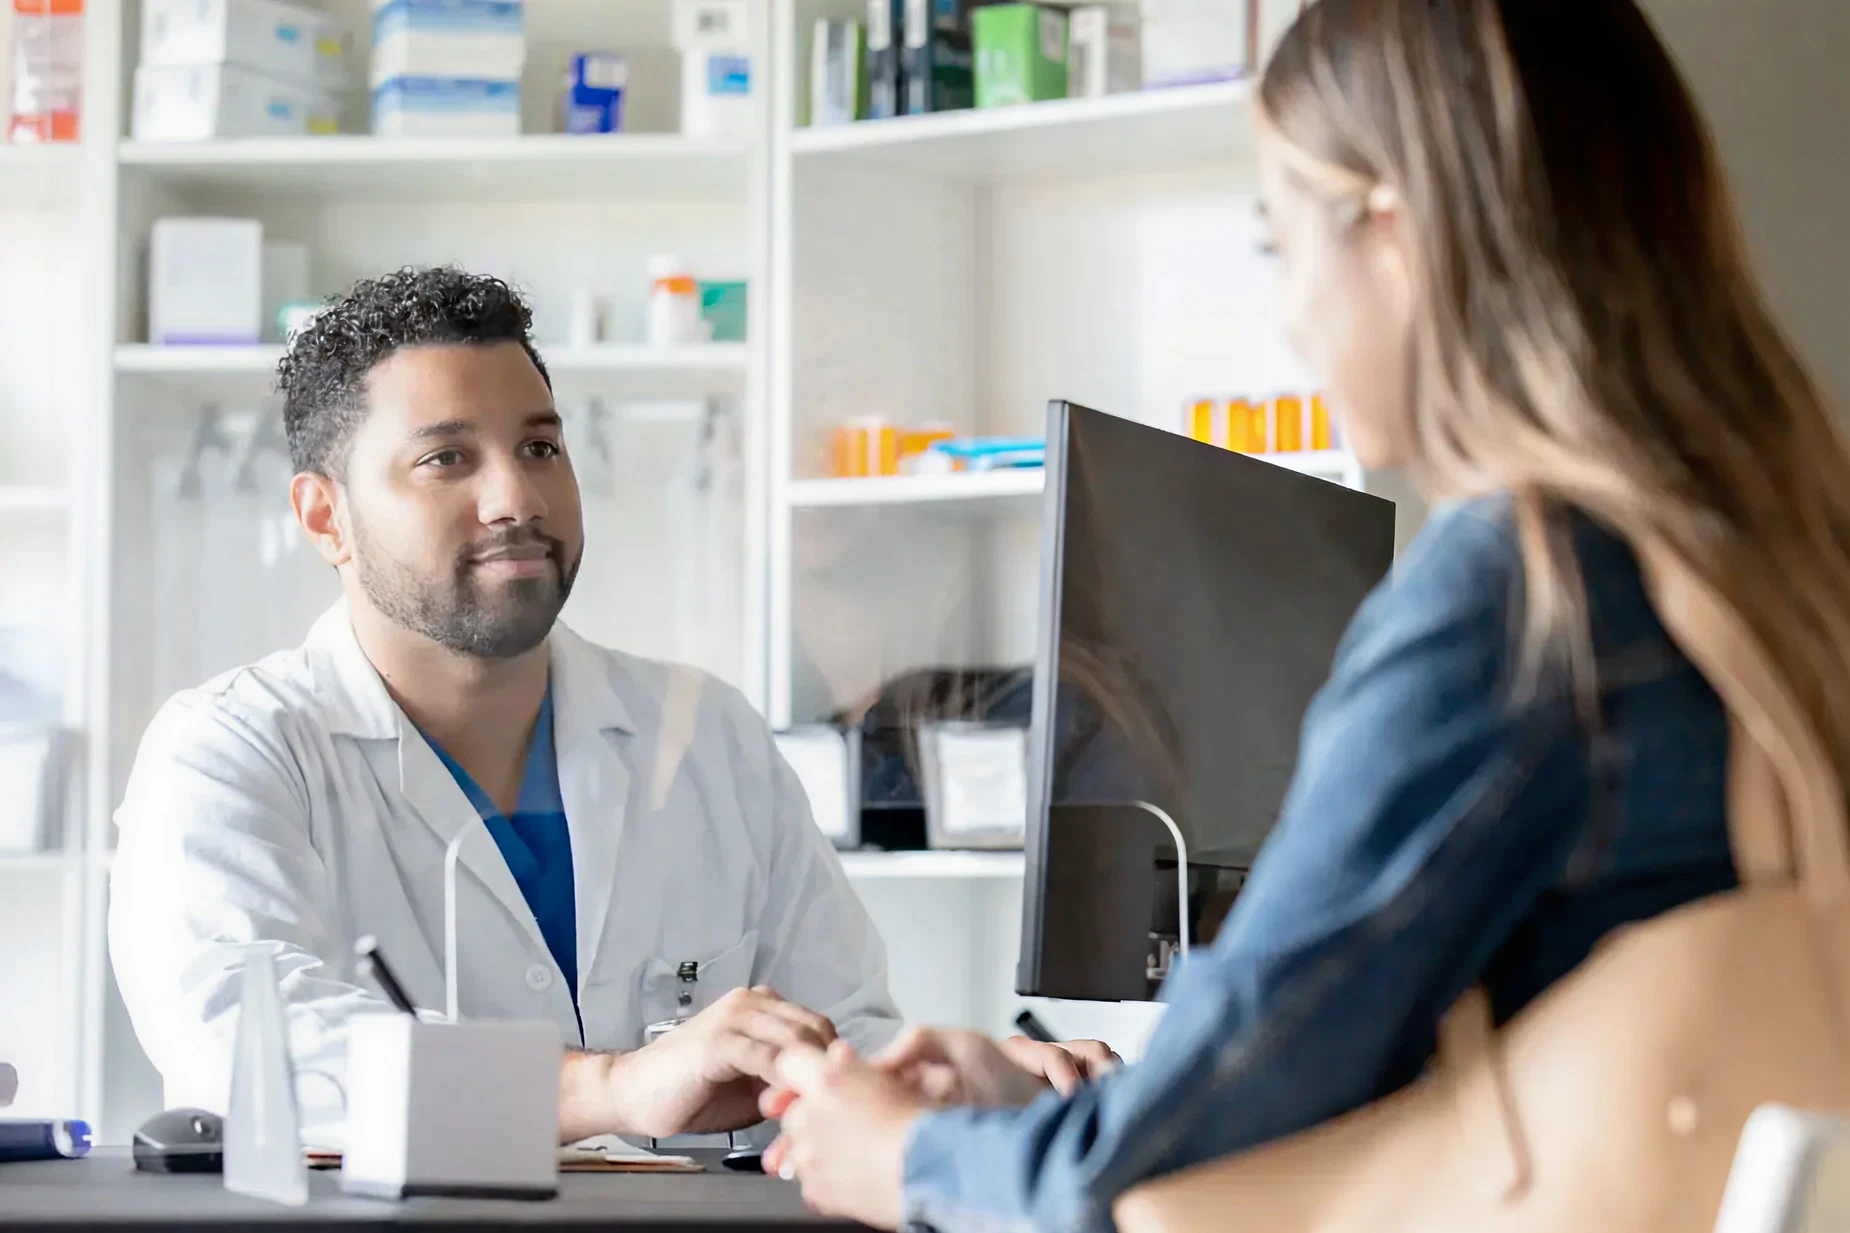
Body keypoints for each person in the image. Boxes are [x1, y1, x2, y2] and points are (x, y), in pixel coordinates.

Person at [756, 0, 1850, 1227]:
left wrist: (909, 1159)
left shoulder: (1520, 595)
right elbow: (1377, 1061)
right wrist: (1052, 1108)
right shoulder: (1779, 564)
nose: (1291, 322)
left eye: (1279, 247)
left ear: (1392, 235)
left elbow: (1135, 1178)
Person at [109, 267, 1104, 1147]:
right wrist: (617, 1088)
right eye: (447, 459)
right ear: (326, 517)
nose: (516, 497)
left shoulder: (704, 733)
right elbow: (247, 1055)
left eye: (539, 447)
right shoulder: (230, 751)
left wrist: (958, 1092)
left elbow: (838, 1031)